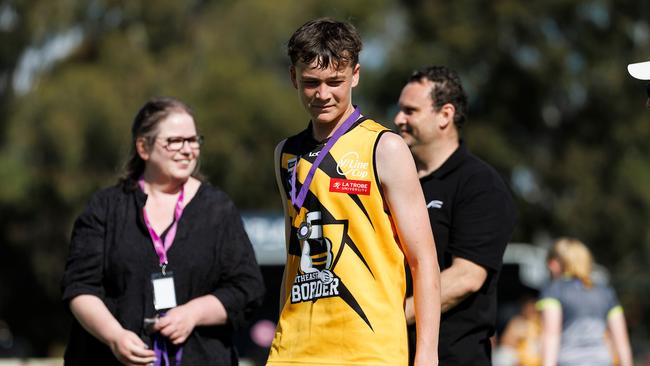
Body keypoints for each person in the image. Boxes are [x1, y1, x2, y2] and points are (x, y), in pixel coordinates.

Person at [266, 18, 440, 366]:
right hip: (293, 349)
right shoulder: (285, 153)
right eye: (311, 82)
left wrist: (426, 353)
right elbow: (292, 256)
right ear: (293, 78)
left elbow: (424, 261)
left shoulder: (384, 147)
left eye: (335, 82)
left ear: (355, 75)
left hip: (367, 348)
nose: (323, 94)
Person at [61, 97, 265, 366]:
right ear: (143, 147)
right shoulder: (105, 208)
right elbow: (80, 288)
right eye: (174, 141)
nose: (187, 150)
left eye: (193, 140)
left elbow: (247, 288)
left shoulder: (218, 210)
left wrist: (194, 313)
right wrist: (115, 337)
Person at [394, 65, 517, 365]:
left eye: (410, 111)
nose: (399, 119)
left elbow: (466, 278)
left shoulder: (480, 184)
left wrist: (388, 318)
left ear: (445, 115)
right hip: (388, 355)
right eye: (400, 110)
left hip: (453, 357)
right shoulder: (393, 179)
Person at [537, 238, 633, 366]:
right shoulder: (606, 292)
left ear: (554, 264)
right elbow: (622, 341)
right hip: (601, 361)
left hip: (569, 361)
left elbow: (551, 336)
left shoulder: (553, 290)